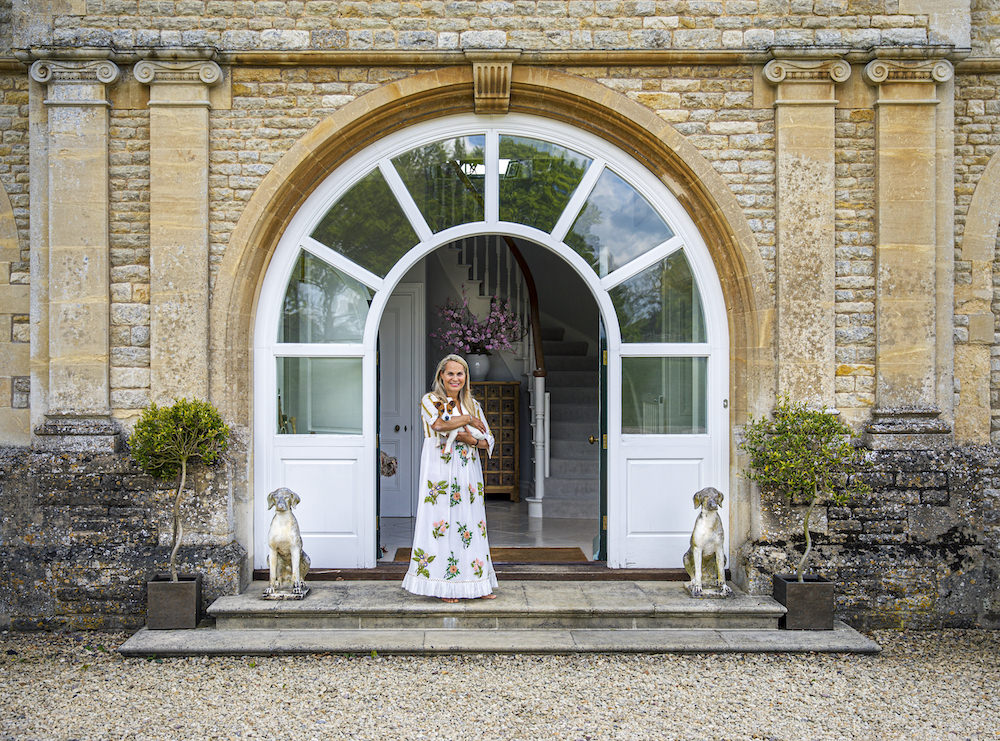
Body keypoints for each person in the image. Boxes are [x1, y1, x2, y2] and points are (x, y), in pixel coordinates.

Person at [402, 354, 498, 602]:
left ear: (466, 377)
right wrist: (467, 419)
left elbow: (489, 439)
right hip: (440, 469)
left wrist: (472, 439)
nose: (455, 378)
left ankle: (475, 583)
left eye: (460, 373)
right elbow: (439, 426)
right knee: (442, 522)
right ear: (441, 377)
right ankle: (444, 585)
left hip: (467, 469)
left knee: (470, 521)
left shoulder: (474, 404)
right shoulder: (431, 400)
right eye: (450, 373)